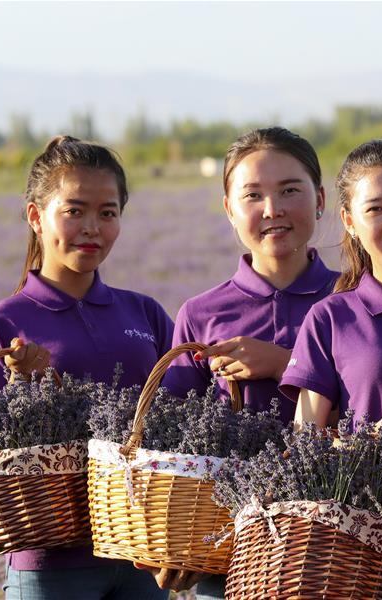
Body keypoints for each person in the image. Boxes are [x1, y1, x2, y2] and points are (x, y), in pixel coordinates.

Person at [0, 136, 174, 600]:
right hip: (50, 563)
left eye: (108, 212)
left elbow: (181, 421)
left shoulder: (145, 314)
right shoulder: (1, 325)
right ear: (36, 217)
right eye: (73, 211)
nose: (91, 228)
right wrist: (21, 389)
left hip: (140, 552)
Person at [154, 126, 338, 598]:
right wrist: (177, 544)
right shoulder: (201, 313)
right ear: (229, 209)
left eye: (290, 190)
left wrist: (286, 364)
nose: (272, 210)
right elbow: (174, 443)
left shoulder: (352, 296)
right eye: (252, 195)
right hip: (229, 559)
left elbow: (380, 410)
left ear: (320, 199)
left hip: (339, 551)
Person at [280, 137, 382, 445]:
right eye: (376, 209)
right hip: (355, 494)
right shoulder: (329, 318)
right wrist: (375, 439)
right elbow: (304, 446)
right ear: (349, 221)